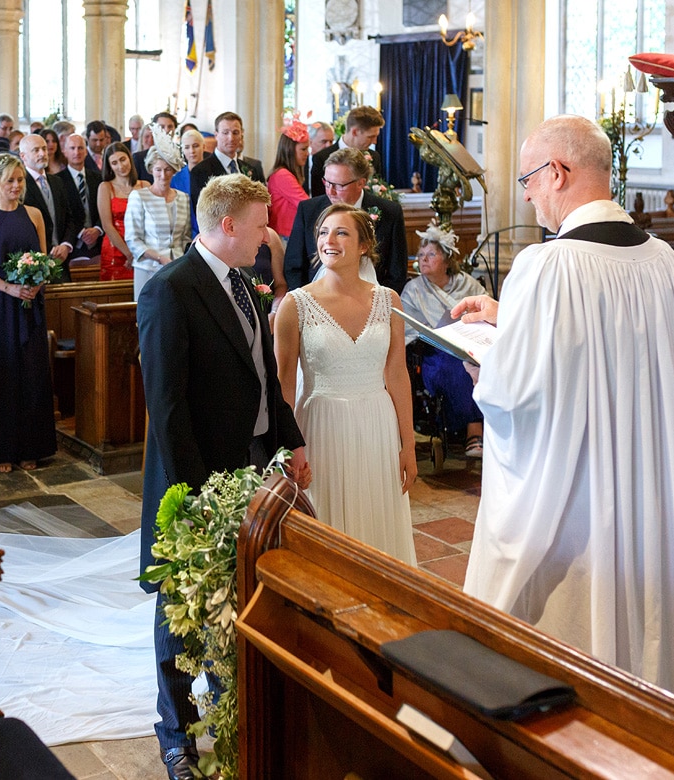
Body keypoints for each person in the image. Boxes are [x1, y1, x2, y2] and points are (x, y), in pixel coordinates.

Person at [452, 114, 674, 712]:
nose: (526, 193)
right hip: (651, 498)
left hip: (581, 508)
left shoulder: (546, 266)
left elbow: (515, 393)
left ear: (558, 172)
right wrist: (508, 315)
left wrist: (483, 369)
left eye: (528, 178)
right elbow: (616, 349)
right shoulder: (665, 262)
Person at [137, 173, 308, 780]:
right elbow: (168, 406)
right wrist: (195, 496)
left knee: (241, 588)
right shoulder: (170, 291)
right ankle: (176, 733)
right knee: (180, 605)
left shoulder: (244, 284)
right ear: (229, 224)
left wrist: (291, 440)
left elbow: (263, 373)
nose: (271, 235)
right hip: (198, 474)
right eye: (263, 223)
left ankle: (239, 705)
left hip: (257, 459)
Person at [275, 202, 417, 563]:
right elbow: (284, 384)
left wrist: (408, 445)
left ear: (363, 245)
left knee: (377, 515)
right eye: (323, 232)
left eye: (341, 232)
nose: (329, 240)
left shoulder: (389, 300)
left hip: (376, 423)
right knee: (327, 519)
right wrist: (289, 447)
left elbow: (397, 374)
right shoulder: (296, 304)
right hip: (321, 425)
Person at [0, 153, 56, 474]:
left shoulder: (34, 215)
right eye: (10, 181)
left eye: (20, 181)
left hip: (29, 303)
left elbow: (44, 258)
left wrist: (37, 282)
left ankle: (31, 447)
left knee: (31, 373)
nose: (16, 186)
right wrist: (8, 287)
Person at [400, 224, 485, 457]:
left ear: (447, 260)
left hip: (471, 346)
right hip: (433, 352)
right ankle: (474, 430)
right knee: (457, 366)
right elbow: (408, 329)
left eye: (431, 254)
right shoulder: (413, 290)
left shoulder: (468, 284)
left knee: (479, 362)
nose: (423, 259)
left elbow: (486, 315)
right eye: (421, 255)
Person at [285, 147, 407, 293]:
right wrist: (305, 300)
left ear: (361, 183)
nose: (330, 191)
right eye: (327, 182)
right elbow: (293, 266)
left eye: (339, 185)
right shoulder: (308, 210)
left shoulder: (390, 212)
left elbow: (397, 272)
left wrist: (378, 302)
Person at [126, 130, 190, 299]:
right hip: (148, 269)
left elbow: (185, 238)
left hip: (177, 269)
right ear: (151, 170)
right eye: (158, 169)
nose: (163, 175)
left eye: (168, 169)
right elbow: (133, 239)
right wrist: (160, 258)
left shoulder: (183, 198)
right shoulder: (139, 196)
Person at [18, 133, 77, 281]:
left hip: (62, 260)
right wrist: (49, 248)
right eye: (36, 150)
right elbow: (22, 225)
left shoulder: (57, 181)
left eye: (44, 149)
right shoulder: (20, 185)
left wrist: (65, 245)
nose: (43, 154)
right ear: (23, 156)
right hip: (34, 263)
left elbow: (69, 217)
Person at [188, 111, 265, 218]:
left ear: (241, 134)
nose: (231, 138)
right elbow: (201, 212)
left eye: (235, 132)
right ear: (216, 134)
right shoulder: (201, 170)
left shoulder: (250, 168)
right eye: (225, 133)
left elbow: (261, 203)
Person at [96, 142, 147, 281]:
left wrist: (139, 251)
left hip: (142, 248)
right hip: (115, 248)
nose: (120, 166)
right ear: (109, 166)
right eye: (114, 163)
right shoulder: (105, 187)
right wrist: (129, 254)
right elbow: (107, 225)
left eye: (123, 159)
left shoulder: (145, 185)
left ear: (129, 158)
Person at [309, 105, 386, 195]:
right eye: (371, 137)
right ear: (354, 132)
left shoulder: (374, 157)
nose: (375, 142)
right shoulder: (321, 158)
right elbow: (318, 200)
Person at [55, 133, 104, 259]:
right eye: (72, 148)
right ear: (65, 151)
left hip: (99, 243)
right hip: (72, 244)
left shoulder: (98, 177)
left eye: (81, 148)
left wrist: (97, 229)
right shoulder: (57, 181)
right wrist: (81, 232)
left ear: (86, 151)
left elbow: (104, 208)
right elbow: (62, 214)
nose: (77, 152)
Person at [266, 119, 310, 242]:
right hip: (284, 236)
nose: (307, 154)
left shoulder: (285, 173)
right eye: (303, 149)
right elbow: (306, 204)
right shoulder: (282, 175)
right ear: (289, 150)